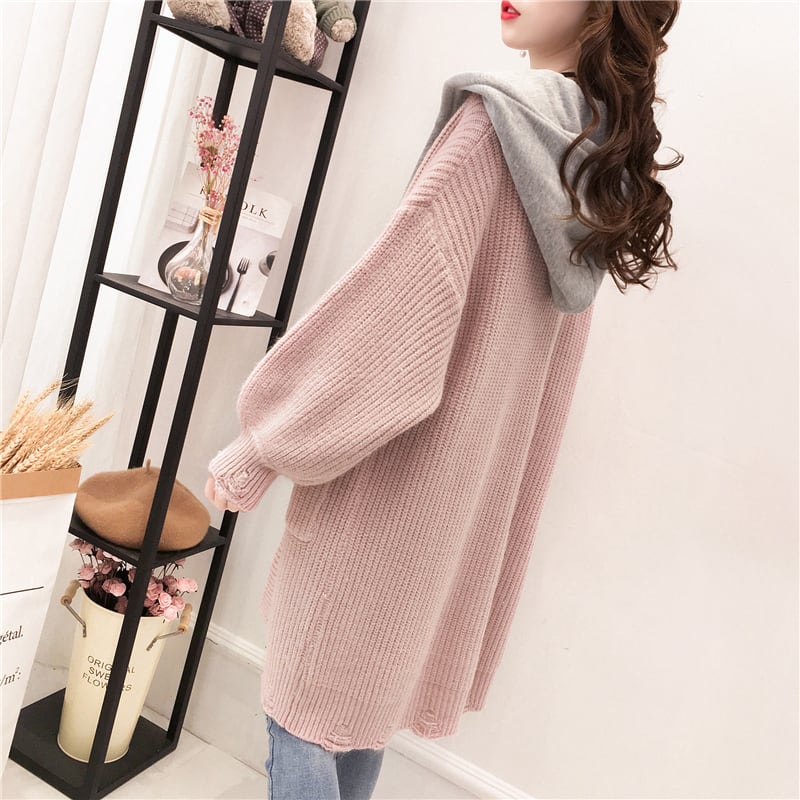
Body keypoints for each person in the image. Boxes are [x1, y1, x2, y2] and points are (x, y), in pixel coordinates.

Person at [205, 2, 683, 798]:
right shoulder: (601, 164)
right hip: (456, 519)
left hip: (382, 493)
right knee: (361, 712)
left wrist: (261, 444)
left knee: (303, 710)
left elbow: (391, 317)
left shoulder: (495, 127)